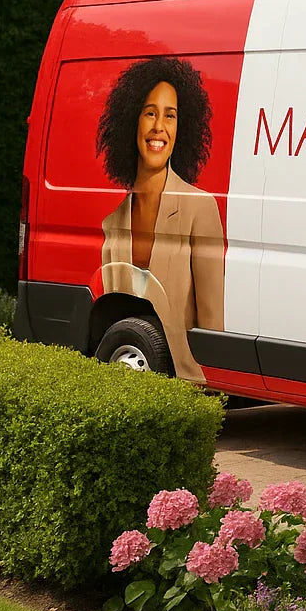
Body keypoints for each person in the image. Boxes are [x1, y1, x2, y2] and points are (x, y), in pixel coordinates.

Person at [96, 57, 224, 382]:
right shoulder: (112, 225)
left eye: (170, 115)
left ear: (183, 127)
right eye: (150, 112)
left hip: (193, 382)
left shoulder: (200, 209)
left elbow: (213, 323)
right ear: (132, 120)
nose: (159, 127)